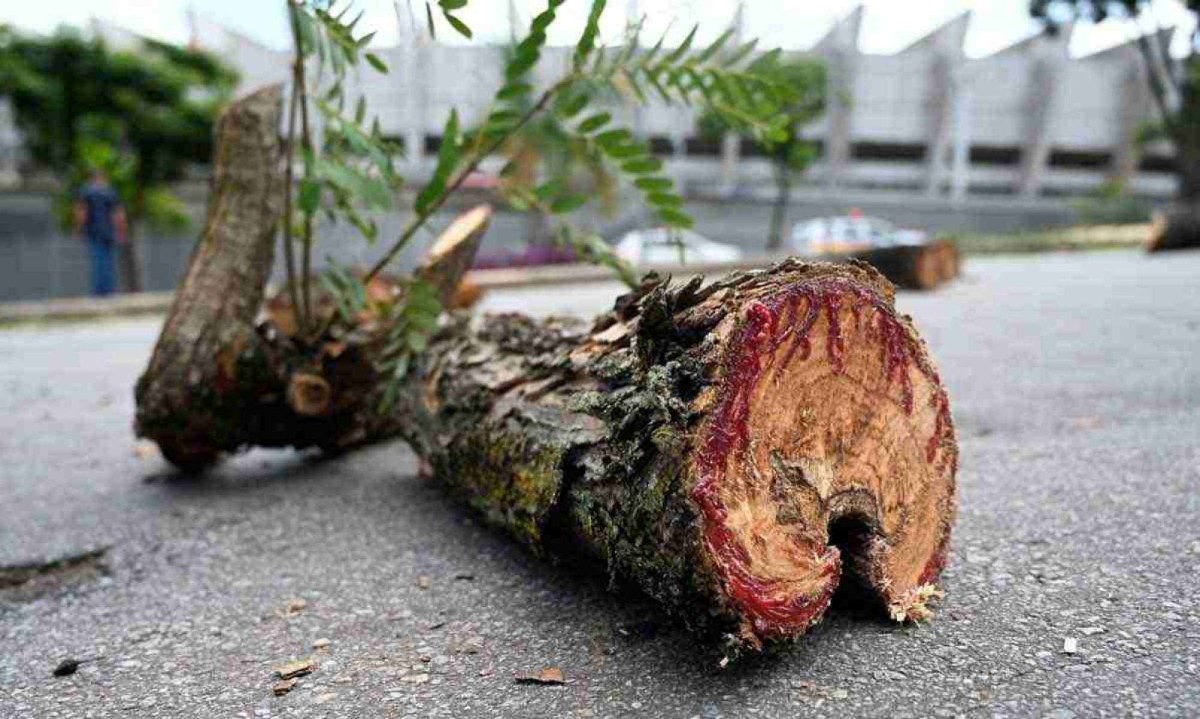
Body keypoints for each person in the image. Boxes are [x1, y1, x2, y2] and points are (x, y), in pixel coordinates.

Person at [72, 169, 126, 296]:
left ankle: (98, 292)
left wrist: (78, 228)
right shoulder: (111, 192)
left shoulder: (86, 192)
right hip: (109, 232)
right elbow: (118, 214)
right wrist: (121, 231)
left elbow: (81, 212)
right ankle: (109, 291)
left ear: (91, 178)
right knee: (108, 262)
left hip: (94, 231)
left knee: (97, 261)